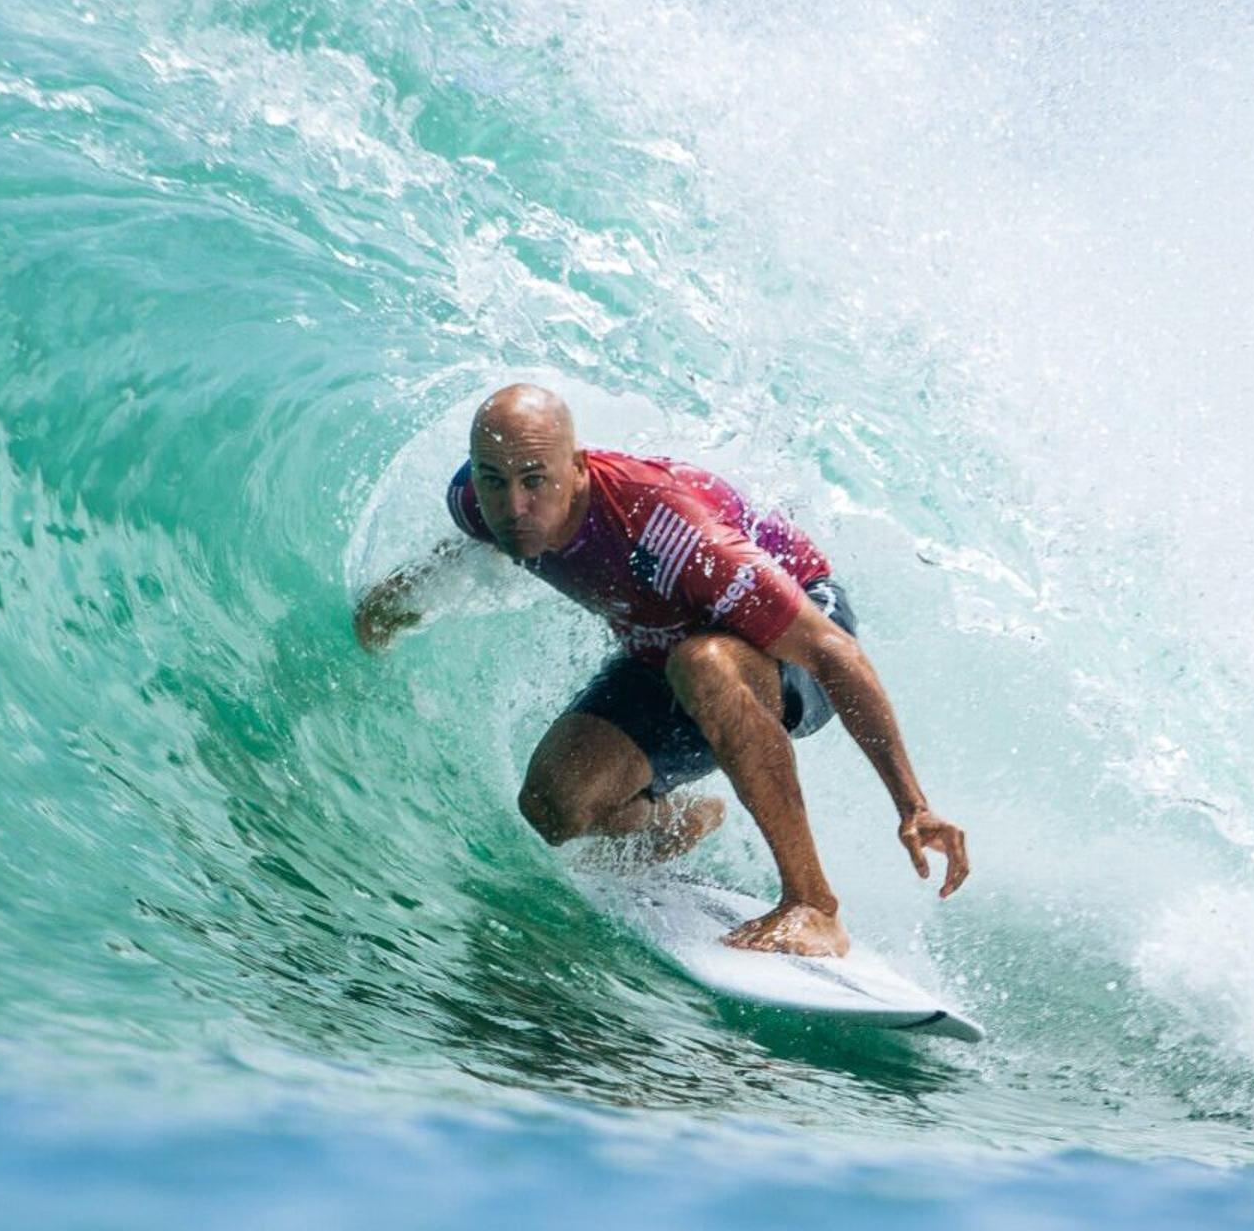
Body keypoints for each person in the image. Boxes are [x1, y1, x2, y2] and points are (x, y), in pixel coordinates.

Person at [354, 384, 969, 957]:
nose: (514, 505)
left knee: (702, 664)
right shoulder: (481, 501)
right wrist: (395, 605)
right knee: (553, 804)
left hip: (794, 627)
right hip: (667, 645)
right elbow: (477, 543)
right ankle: (678, 824)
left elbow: (833, 652)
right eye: (495, 481)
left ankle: (813, 903)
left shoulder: (669, 529)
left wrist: (912, 804)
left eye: (535, 481)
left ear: (578, 470)